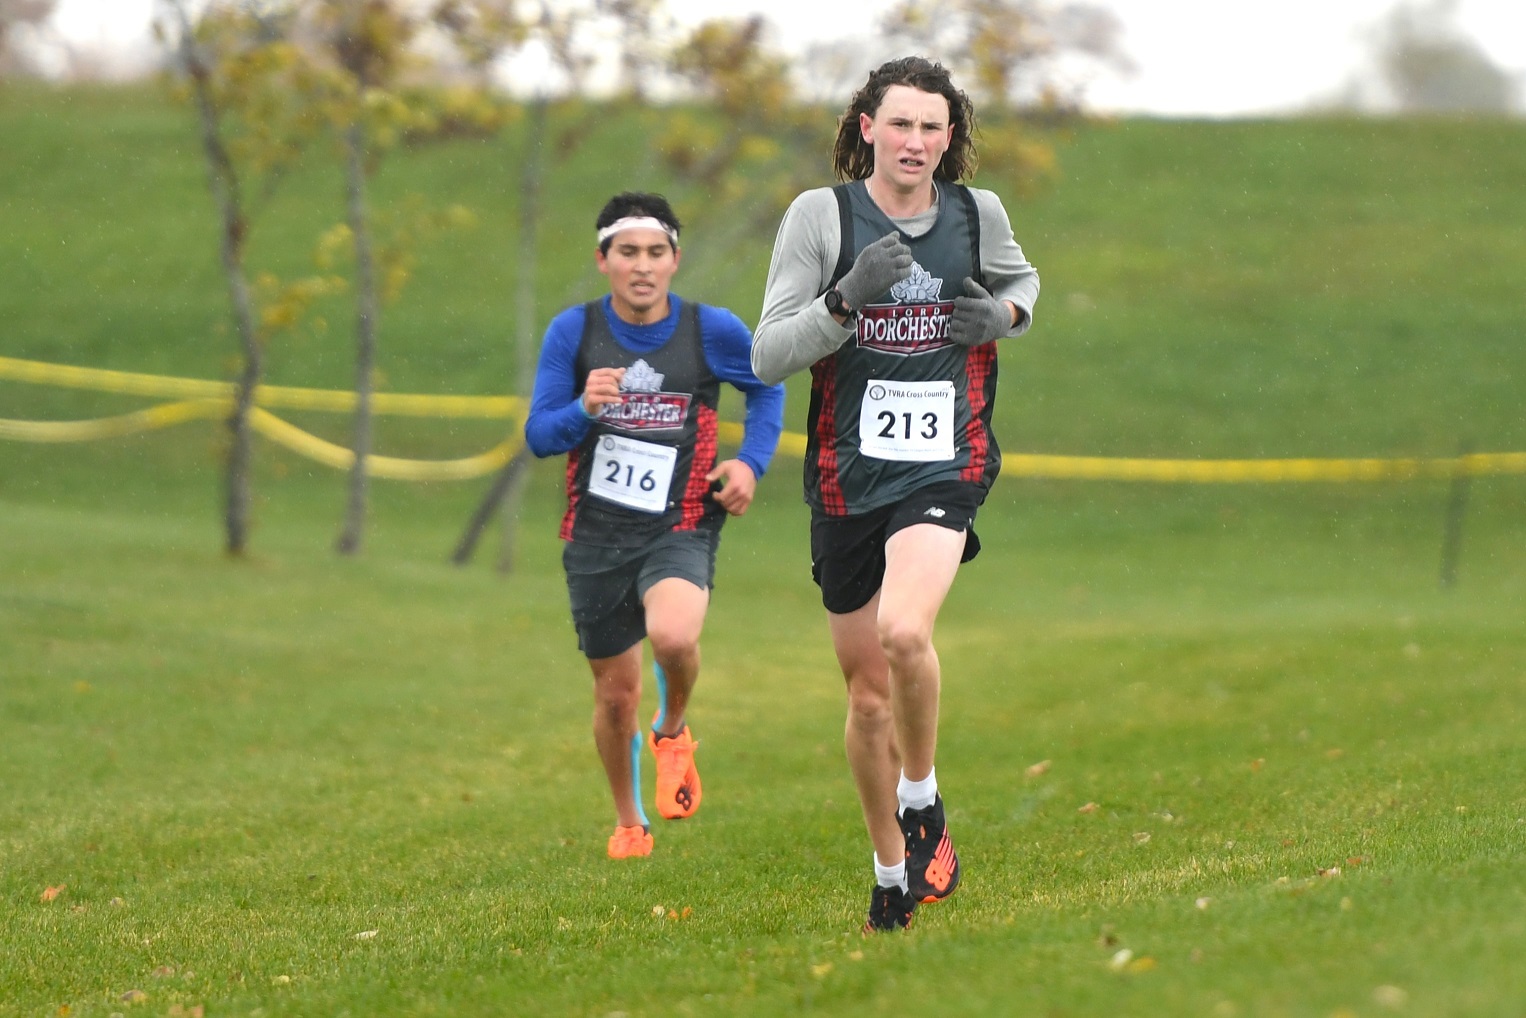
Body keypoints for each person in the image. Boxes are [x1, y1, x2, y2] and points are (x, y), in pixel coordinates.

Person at [752, 57, 1040, 932]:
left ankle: (922, 795)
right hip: (847, 478)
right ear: (867, 127)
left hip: (945, 462)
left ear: (952, 138)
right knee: (868, 694)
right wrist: (844, 302)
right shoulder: (821, 216)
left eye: (932, 126)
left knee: (905, 631)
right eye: (901, 123)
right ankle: (889, 869)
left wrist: (1006, 317)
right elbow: (767, 356)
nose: (916, 141)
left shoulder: (975, 214)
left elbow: (1022, 285)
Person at [525, 191, 785, 859]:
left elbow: (767, 386)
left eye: (655, 253)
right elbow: (540, 436)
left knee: (673, 636)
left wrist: (751, 463)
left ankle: (672, 730)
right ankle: (629, 822)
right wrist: (584, 407)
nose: (642, 266)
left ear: (675, 260)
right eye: (627, 253)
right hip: (596, 534)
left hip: (681, 521)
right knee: (616, 695)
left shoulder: (712, 330)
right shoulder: (574, 333)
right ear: (603, 260)